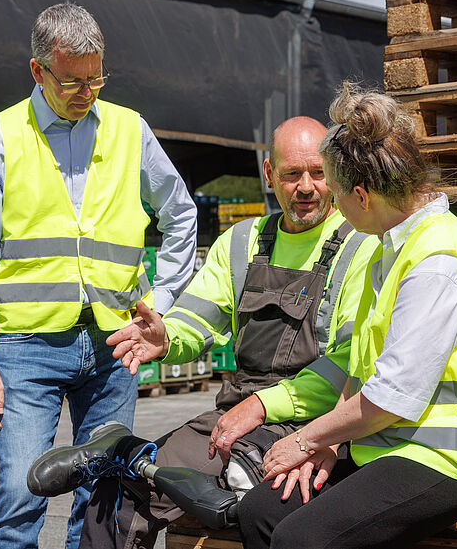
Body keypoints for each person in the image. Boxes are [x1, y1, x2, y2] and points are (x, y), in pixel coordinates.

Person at [36, 115, 379, 549]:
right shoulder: (242, 241)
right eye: (292, 174)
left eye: (318, 173)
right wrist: (165, 339)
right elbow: (196, 318)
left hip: (315, 428)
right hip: (232, 419)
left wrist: (261, 406)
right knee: (120, 489)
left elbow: (352, 364)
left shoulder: (361, 246)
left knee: (245, 489)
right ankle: (120, 456)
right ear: (270, 174)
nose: (307, 187)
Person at [236, 84, 457, 549]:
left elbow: (393, 397)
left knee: (304, 539)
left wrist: (304, 440)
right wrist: (331, 444)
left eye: (334, 191)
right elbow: (362, 371)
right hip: (400, 445)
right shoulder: (388, 250)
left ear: (362, 194)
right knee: (261, 511)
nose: (331, 203)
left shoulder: (438, 260)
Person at [0, 3, 197, 549]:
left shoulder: (130, 130)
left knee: (103, 496)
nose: (88, 92)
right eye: (72, 82)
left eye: (96, 78)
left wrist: (163, 301)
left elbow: (181, 212)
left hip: (113, 344)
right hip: (25, 348)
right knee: (20, 491)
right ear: (38, 71)